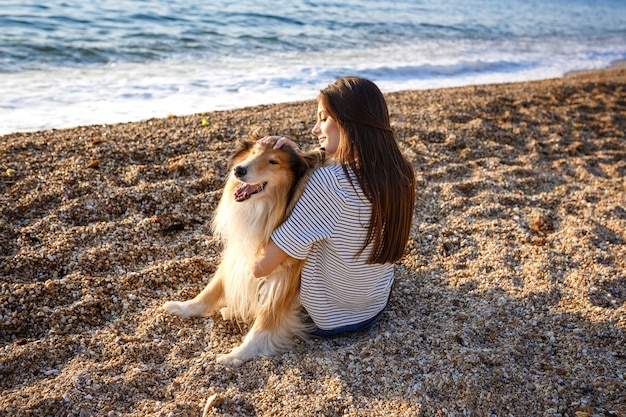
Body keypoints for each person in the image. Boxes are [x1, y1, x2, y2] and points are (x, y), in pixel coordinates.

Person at [254, 76, 416, 337]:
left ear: (349, 124)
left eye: (323, 118)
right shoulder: (399, 171)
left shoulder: (330, 184)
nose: (315, 130)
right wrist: (295, 158)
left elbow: (261, 266)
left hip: (325, 316)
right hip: (373, 305)